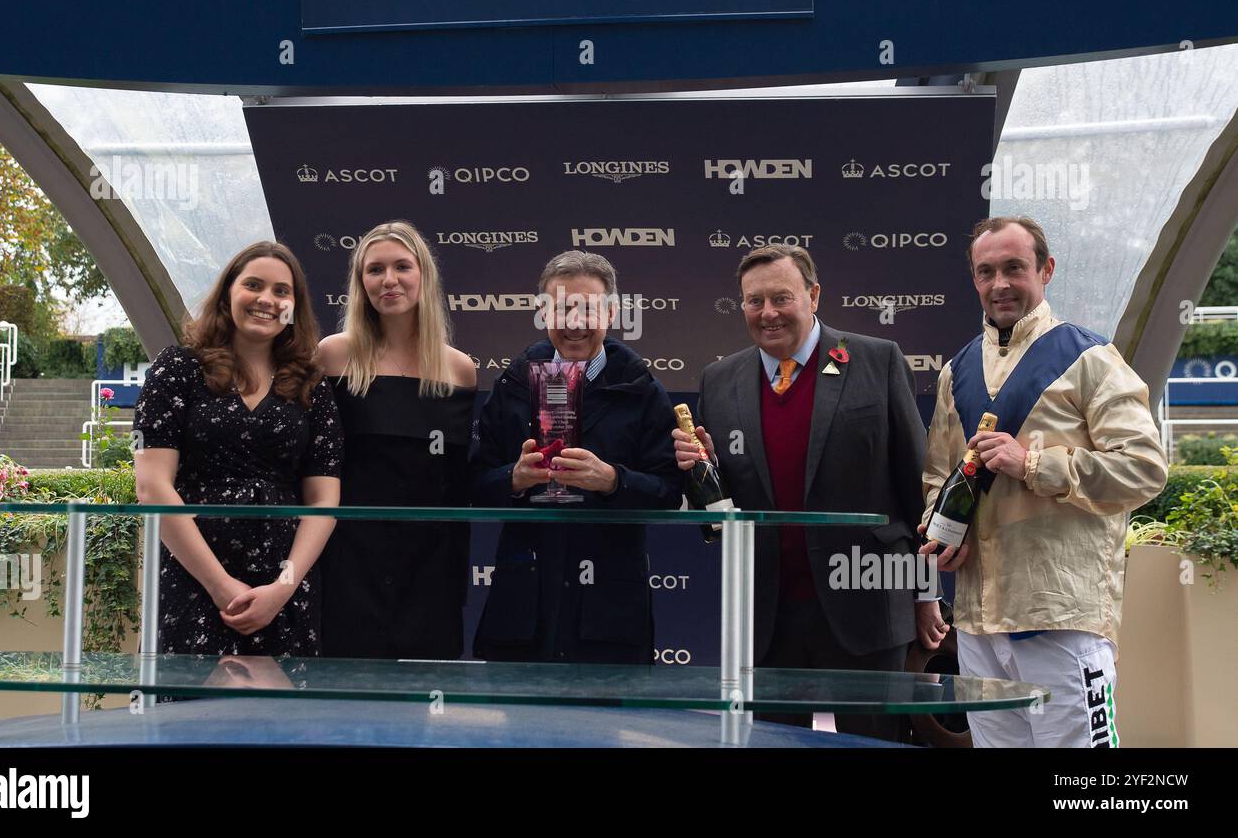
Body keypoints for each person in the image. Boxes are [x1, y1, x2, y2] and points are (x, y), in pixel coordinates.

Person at [920, 217, 1168, 748]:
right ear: (974, 281)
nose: (1000, 283)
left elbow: (1145, 468)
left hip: (1061, 616)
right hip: (977, 622)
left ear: (1046, 270)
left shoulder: (1091, 358)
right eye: (986, 272)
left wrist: (1033, 464)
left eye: (1014, 268)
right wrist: (938, 533)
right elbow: (939, 477)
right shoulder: (956, 370)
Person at [673, 244, 936, 741]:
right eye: (754, 301)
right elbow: (718, 517)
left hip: (868, 602)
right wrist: (698, 471)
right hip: (766, 618)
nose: (767, 313)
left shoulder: (877, 360)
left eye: (781, 298)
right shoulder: (719, 378)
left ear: (814, 296)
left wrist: (925, 594)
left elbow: (915, 487)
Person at [471, 250, 683, 664]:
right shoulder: (514, 383)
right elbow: (476, 483)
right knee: (517, 728)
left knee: (604, 725)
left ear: (611, 313)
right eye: (563, 308)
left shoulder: (641, 389)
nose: (575, 323)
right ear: (542, 311)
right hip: (523, 608)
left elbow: (670, 492)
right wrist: (513, 479)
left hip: (609, 611)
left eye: (588, 309)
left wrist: (612, 481)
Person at [133, 241, 342, 658]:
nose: (267, 299)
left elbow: (324, 499)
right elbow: (152, 486)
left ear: (293, 308)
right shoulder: (177, 369)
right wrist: (219, 584)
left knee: (283, 720)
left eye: (282, 291)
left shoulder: (311, 386)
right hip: (193, 579)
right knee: (190, 716)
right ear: (228, 294)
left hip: (284, 590)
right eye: (253, 285)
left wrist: (282, 589)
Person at [317, 221, 477, 659]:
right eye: (375, 269)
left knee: (425, 707)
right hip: (348, 560)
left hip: (430, 567)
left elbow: (456, 481)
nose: (389, 280)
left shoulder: (459, 369)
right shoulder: (332, 355)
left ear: (423, 275)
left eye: (402, 267)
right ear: (360, 282)